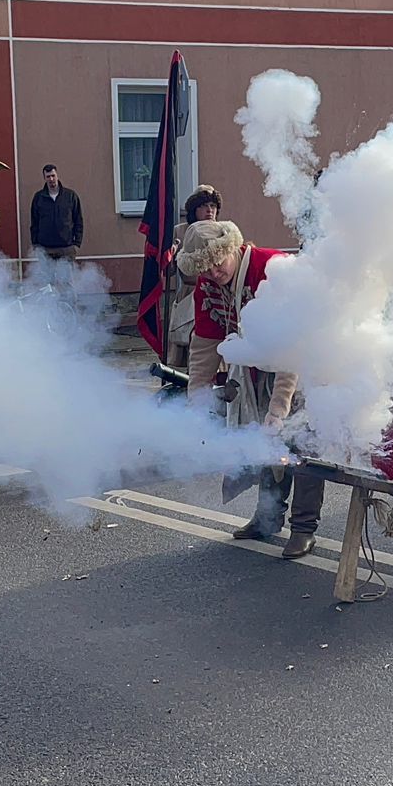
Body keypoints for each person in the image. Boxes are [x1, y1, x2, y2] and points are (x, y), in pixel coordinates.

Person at [179, 219, 323, 557]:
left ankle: (304, 527)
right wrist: (194, 408)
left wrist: (279, 408)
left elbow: (294, 346)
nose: (213, 272)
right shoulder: (208, 283)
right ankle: (268, 517)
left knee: (302, 447)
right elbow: (204, 345)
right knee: (264, 441)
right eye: (205, 268)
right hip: (258, 371)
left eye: (217, 263)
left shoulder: (271, 269)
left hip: (307, 367)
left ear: (232, 248)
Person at [166, 185, 223, 369]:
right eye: (204, 205)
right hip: (190, 291)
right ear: (194, 209)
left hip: (217, 291)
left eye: (213, 206)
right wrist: (169, 259)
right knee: (191, 339)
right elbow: (170, 270)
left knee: (216, 339)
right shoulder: (181, 231)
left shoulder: (223, 230)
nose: (209, 210)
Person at [30, 164, 86, 262]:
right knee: (46, 277)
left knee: (66, 277)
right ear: (44, 178)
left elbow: (78, 220)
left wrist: (77, 243)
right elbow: (34, 222)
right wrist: (35, 244)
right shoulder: (38, 198)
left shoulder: (70, 196)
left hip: (66, 248)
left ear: (57, 176)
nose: (51, 179)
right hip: (45, 249)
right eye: (48, 176)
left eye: (53, 175)